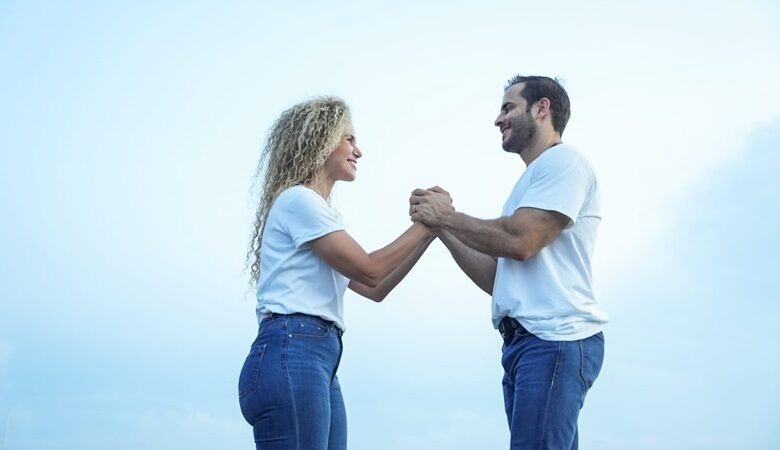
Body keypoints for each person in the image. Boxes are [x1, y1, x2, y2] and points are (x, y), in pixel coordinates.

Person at [409, 75, 608, 449]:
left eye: (507, 108)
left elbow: (522, 240)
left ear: (542, 108)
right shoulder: (531, 182)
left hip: (554, 339)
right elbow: (497, 277)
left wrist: (448, 217)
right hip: (526, 344)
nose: (498, 119)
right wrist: (440, 226)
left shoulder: (564, 162)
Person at [238, 96, 435, 450]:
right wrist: (429, 223)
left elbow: (374, 287)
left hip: (316, 357)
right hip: (292, 349)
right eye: (349, 139)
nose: (358, 151)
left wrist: (433, 230)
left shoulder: (318, 214)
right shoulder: (299, 201)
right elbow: (371, 270)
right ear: (320, 139)